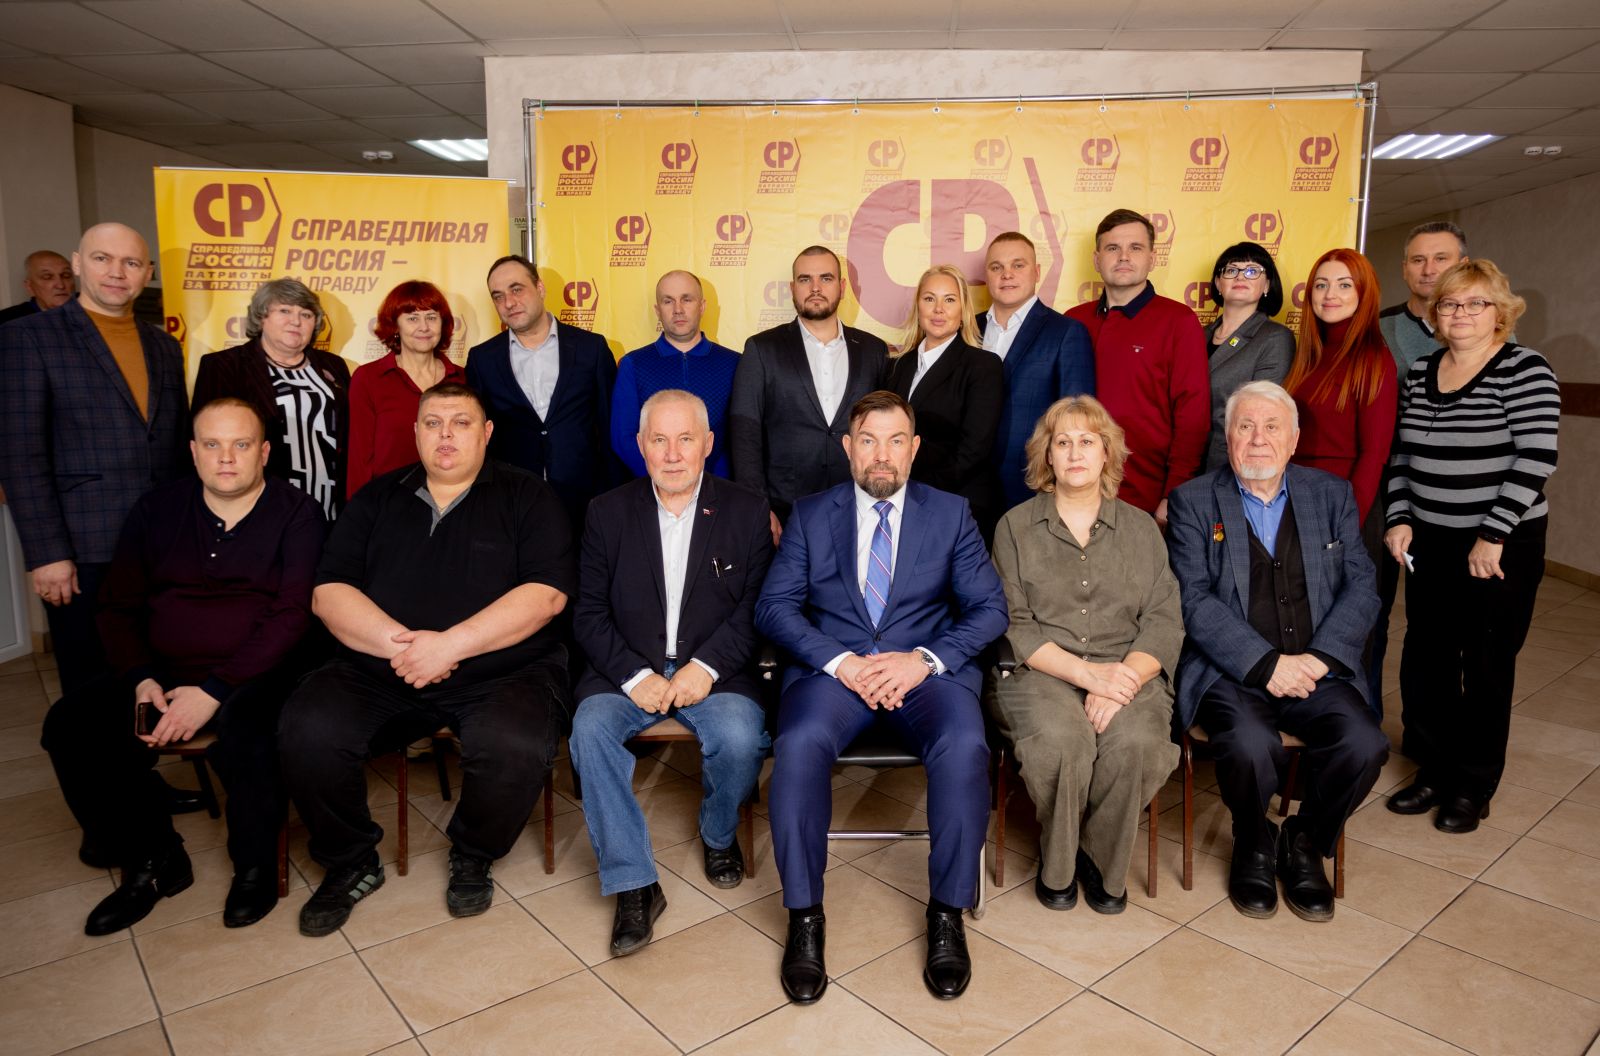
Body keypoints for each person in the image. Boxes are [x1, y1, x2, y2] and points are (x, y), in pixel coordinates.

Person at [279, 381, 576, 936]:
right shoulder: (376, 498)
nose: (446, 436)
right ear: (415, 432)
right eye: (433, 423)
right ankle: (350, 860)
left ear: (486, 433)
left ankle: (474, 852)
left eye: (461, 423)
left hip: (502, 670)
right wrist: (406, 647)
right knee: (307, 729)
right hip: (383, 666)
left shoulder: (529, 496)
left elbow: (547, 596)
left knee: (514, 745)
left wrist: (450, 646)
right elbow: (329, 592)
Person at [756, 390, 1007, 1004]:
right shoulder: (811, 513)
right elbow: (774, 607)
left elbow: (989, 609)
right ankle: (805, 918)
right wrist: (840, 662)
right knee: (798, 743)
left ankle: (946, 913)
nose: (882, 455)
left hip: (924, 678)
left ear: (914, 448)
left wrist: (922, 661)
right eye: (868, 440)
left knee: (964, 744)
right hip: (834, 678)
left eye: (896, 441)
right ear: (848, 447)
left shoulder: (951, 514)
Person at [39, 398, 324, 934]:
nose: (226, 458)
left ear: (264, 452)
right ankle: (153, 856)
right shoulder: (157, 510)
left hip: (258, 672)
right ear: (193, 452)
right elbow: (117, 606)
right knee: (71, 726)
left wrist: (214, 690)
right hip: (164, 668)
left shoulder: (298, 513)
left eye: (241, 444)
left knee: (249, 733)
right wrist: (140, 678)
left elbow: (292, 614)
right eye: (212, 445)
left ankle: (255, 865)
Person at [1167, 381, 1387, 923]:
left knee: (1365, 744)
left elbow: (1363, 585)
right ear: (1227, 437)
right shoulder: (1194, 501)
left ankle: (1305, 840)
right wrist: (1266, 665)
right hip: (1230, 672)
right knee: (1247, 744)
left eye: (1271, 427)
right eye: (1245, 426)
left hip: (1316, 669)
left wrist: (1320, 658)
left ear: (1294, 439)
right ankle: (1253, 839)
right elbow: (1192, 599)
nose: (1258, 439)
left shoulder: (1331, 495)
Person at [570, 390, 773, 956]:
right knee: (589, 730)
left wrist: (704, 667)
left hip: (716, 669)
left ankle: (718, 833)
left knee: (740, 737)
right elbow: (588, 613)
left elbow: (757, 608)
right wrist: (635, 676)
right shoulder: (606, 511)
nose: (673, 453)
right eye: (659, 439)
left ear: (708, 444)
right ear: (641, 446)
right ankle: (634, 883)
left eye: (686, 439)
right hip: (626, 669)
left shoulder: (747, 510)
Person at [1383, 259, 1559, 834]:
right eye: (1450, 304)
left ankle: (1473, 784)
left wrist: (1494, 533)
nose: (1460, 314)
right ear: (1436, 314)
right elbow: (1403, 455)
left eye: (1475, 303)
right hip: (1429, 538)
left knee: (1485, 662)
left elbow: (1536, 457)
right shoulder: (1422, 371)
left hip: (1501, 543)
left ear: (1499, 312)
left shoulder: (1525, 368)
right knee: (1428, 658)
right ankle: (1434, 770)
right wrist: (1399, 517)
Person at [989, 395, 1181, 913]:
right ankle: (1058, 865)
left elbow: (1164, 619)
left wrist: (1121, 682)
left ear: (1106, 453)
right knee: (1062, 743)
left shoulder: (1141, 529)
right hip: (1040, 672)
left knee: (1138, 744)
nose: (1075, 453)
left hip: (1128, 670)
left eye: (1087, 442)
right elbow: (1014, 624)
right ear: (1047, 456)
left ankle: (1096, 859)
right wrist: (1088, 676)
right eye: (1063, 442)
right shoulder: (1013, 528)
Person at [0, 223, 190, 694]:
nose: (117, 272)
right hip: (82, 548)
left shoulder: (164, 346)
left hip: (161, 544)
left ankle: (141, 746)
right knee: (91, 683)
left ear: (147, 272)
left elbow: (174, 446)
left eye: (131, 262)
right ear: (78, 264)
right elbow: (21, 454)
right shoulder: (28, 337)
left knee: (153, 671)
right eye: (103, 258)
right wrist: (48, 554)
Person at [729, 246, 888, 544]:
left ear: (842, 287)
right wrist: (758, 507)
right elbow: (745, 434)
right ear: (792, 288)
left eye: (826, 278)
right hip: (785, 512)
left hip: (859, 509)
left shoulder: (873, 350)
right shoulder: (762, 349)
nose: (816, 288)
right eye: (805, 279)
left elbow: (886, 432)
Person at [1066, 209, 1209, 528]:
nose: (1123, 257)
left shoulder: (1178, 321)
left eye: (1135, 247)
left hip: (1146, 496)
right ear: (1096, 259)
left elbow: (1192, 416)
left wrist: (1174, 493)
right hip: (1075, 491)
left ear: (1152, 258)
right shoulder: (1074, 320)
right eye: (1112, 248)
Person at [467, 254, 618, 528]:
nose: (508, 303)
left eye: (516, 289)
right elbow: (478, 437)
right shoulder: (482, 359)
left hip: (586, 502)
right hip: (512, 505)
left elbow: (609, 427)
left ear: (540, 288)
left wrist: (612, 496)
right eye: (498, 296)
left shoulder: (591, 349)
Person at [192, 277, 351, 520]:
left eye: (306, 314)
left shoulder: (333, 366)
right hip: (260, 505)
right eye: (284, 311)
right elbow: (206, 441)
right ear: (261, 317)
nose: (296, 321)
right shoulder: (224, 366)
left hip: (329, 501)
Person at [977, 232, 1096, 510]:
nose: (1007, 274)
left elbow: (1076, 420)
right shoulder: (967, 329)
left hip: (1034, 486)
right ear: (986, 276)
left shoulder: (1066, 332)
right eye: (996, 267)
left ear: (1037, 272)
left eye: (1018, 265)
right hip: (969, 488)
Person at [884, 264, 1005, 531]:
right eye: (929, 299)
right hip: (900, 503)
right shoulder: (897, 366)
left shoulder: (983, 366)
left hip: (958, 504)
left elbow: (974, 450)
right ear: (918, 307)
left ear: (963, 310)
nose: (939, 309)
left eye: (949, 300)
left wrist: (920, 494)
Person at [1284, 249, 1398, 525]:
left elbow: (1374, 454)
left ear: (1364, 293)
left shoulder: (1373, 359)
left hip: (1341, 504)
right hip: (1294, 497)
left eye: (1344, 285)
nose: (1330, 294)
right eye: (1321, 285)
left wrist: (1348, 521)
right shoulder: (1308, 354)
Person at [610, 270, 740, 479]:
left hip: (717, 489)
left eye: (686, 299)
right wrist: (665, 480)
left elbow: (740, 438)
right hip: (653, 488)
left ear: (702, 306)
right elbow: (623, 438)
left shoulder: (733, 363)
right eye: (668, 301)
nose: (678, 309)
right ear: (657, 310)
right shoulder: (633, 364)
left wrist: (710, 483)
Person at [346, 280, 466, 499]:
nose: (424, 327)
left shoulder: (463, 379)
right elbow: (359, 458)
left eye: (431, 317)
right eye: (412, 318)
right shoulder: (368, 379)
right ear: (395, 326)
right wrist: (358, 512)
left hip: (454, 502)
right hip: (388, 504)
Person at [1200, 242, 1295, 472]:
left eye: (1252, 271)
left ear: (1267, 284)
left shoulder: (1275, 338)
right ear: (1218, 283)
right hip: (1184, 462)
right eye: (1231, 270)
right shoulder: (1197, 335)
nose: (1240, 276)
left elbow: (1259, 415)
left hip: (1232, 466)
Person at [1379, 221, 1468, 376]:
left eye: (1440, 259)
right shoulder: (1377, 327)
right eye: (1418, 260)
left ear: (1464, 266)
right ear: (1405, 269)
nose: (1428, 270)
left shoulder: (1488, 326)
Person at [0, 249, 74, 326]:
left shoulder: (82, 311)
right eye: (47, 277)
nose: (60, 285)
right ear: (29, 286)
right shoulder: (7, 322)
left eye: (66, 275)